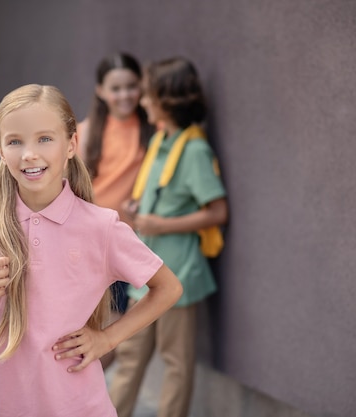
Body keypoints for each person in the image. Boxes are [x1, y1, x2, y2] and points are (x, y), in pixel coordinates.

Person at [0, 84, 183, 416]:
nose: (29, 154)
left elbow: (168, 288)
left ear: (71, 145)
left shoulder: (101, 227)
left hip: (79, 406)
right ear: (0, 150)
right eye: (15, 141)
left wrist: (107, 340)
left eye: (45, 139)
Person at [108, 57, 229, 417]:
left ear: (167, 99)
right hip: (144, 275)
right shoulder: (162, 140)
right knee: (129, 356)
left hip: (178, 276)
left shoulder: (193, 151)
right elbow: (161, 195)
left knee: (175, 361)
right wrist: (137, 209)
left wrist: (160, 225)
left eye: (148, 95)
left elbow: (218, 211)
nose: (142, 101)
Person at [77, 52, 154, 368]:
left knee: (118, 333)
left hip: (130, 243)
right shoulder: (85, 132)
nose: (124, 95)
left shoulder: (152, 129)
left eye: (131, 86)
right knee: (91, 331)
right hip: (91, 244)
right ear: (100, 91)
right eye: (116, 88)